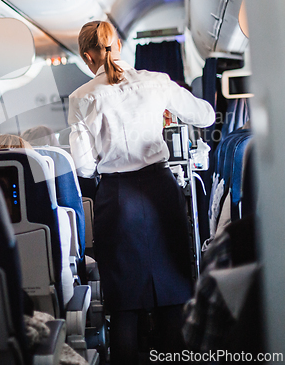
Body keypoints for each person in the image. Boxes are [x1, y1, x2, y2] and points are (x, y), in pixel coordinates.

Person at [68, 21, 215, 364]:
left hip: (117, 198)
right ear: (118, 44)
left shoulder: (82, 97)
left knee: (124, 302)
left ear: (87, 55)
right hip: (160, 191)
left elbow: (85, 166)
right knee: (173, 292)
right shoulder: (156, 82)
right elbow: (205, 117)